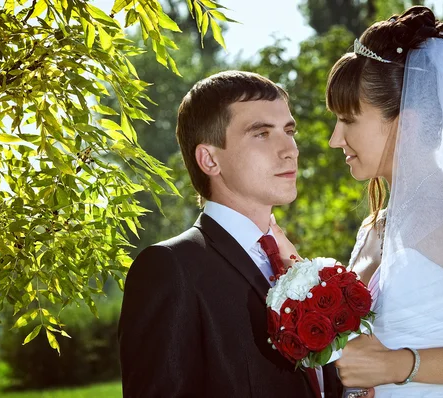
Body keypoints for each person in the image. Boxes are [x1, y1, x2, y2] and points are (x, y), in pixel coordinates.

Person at [272, 6, 443, 398]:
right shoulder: (374, 225)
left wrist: (400, 365)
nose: (334, 139)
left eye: (348, 119)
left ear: (406, 122)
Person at [118, 71, 343, 397]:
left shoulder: (292, 262)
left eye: (289, 130)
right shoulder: (170, 268)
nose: (290, 149)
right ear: (209, 159)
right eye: (262, 134)